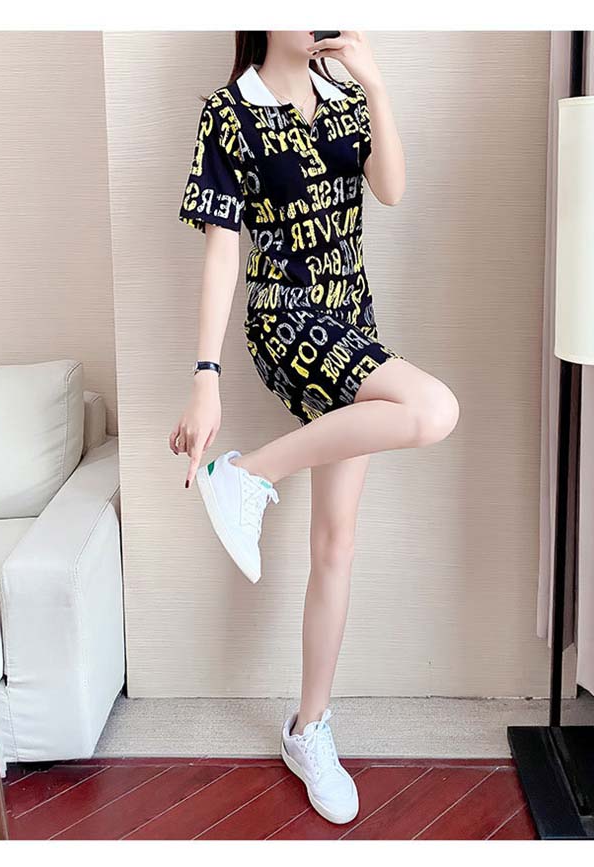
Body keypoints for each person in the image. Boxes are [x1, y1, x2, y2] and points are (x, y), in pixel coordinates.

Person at [173, 31, 459, 825]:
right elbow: (222, 254)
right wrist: (205, 376)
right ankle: (246, 472)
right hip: (286, 321)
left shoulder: (345, 100)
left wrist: (375, 84)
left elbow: (391, 189)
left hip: (353, 325)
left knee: (336, 542)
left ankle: (308, 728)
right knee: (434, 409)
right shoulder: (230, 112)